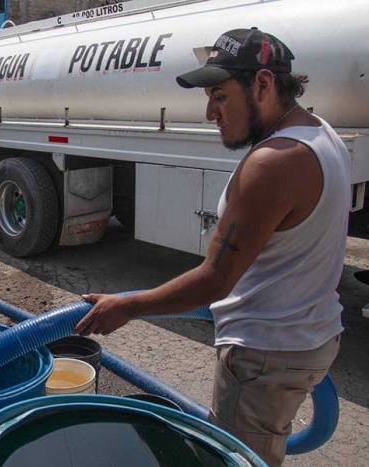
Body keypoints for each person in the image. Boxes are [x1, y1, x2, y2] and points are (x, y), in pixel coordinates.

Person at [75, 28, 349, 466]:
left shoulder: (273, 163)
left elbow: (215, 280)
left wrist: (125, 305)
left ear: (262, 84)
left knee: (235, 461)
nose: (209, 113)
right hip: (305, 339)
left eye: (220, 96)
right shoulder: (322, 134)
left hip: (265, 354)